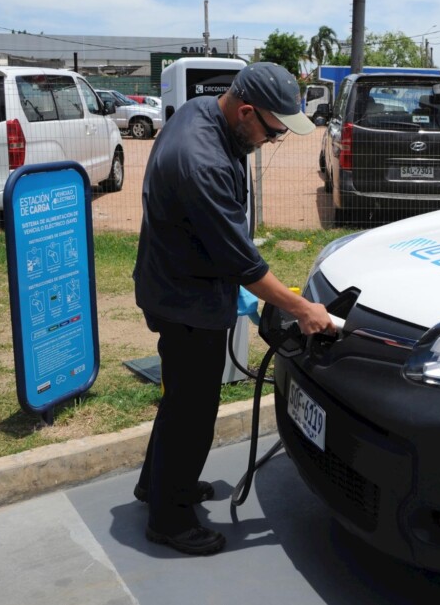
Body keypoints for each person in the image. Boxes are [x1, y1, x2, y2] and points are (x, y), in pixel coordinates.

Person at [132, 62, 334, 556]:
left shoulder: (205, 111)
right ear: (245, 111)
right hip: (186, 301)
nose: (271, 140)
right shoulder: (201, 162)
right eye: (271, 131)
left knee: (180, 396)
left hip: (177, 283)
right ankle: (170, 518)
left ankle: (154, 485)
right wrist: (303, 308)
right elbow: (243, 263)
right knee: (194, 409)